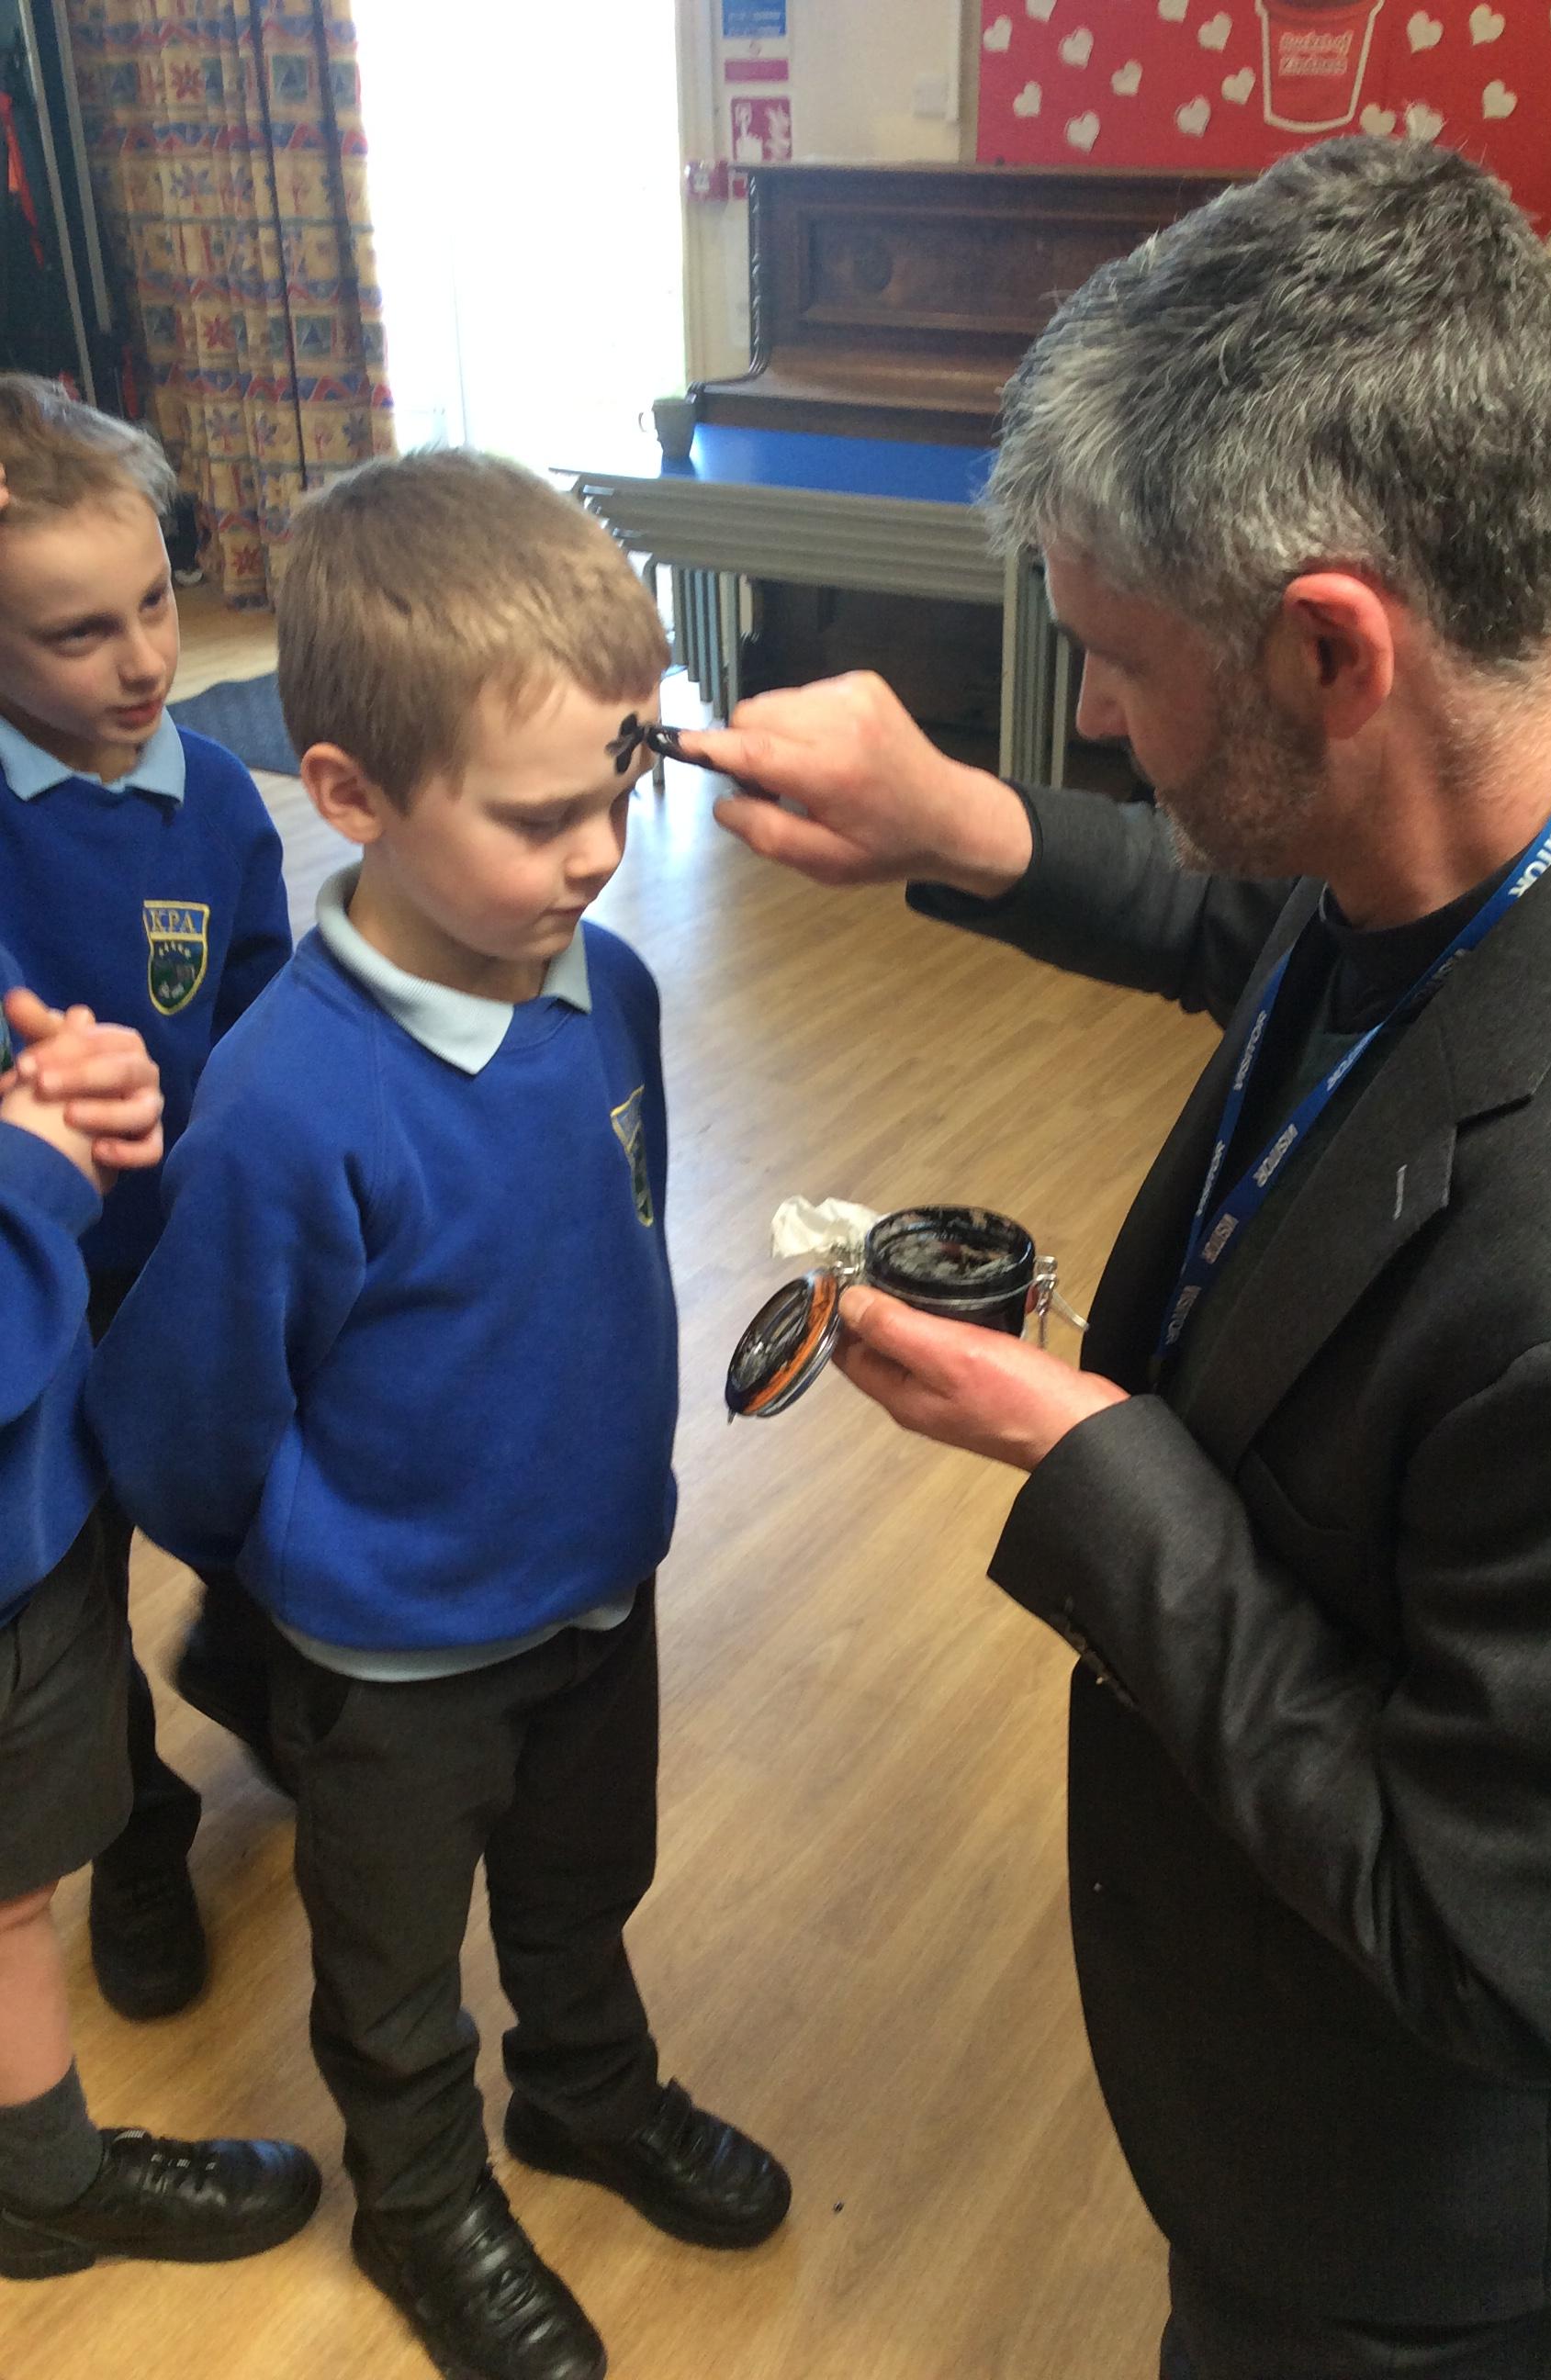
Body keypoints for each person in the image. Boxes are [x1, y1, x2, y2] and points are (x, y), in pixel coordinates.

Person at [684, 138, 1551, 2378]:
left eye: (1111, 661)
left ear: (1328, 643)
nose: (1088, 717)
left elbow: (1482, 1945)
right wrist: (956, 823)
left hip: (1410, 2204)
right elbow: (1285, 935)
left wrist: (1088, 1455)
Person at [87, 449, 791, 2380]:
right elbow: (185, 1421)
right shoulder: (287, 1104)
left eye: (623, 787)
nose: (600, 852)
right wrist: (305, 1572)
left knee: (582, 1883)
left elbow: (608, 1241)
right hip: (389, 1654)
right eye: (542, 814)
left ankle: (587, 2091)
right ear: (351, 796)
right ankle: (418, 2194)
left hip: (596, 1585)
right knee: (394, 1969)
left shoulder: (609, 990)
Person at [0, 379, 294, 2025]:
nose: (142, 661)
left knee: (250, 1494)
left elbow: (256, 1015)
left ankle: (251, 1667)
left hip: (187, 1262)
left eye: (157, 603)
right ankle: (132, 1839)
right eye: (75, 634)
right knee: (70, 1597)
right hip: (32, 1288)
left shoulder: (221, 802)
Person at [0, 954, 321, 2279]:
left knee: (13, 1894)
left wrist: (63, 1078)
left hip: (30, 1536)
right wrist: (33, 1175)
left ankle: (38, 2180)